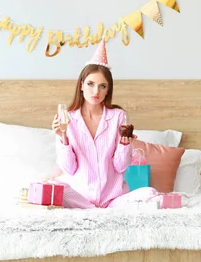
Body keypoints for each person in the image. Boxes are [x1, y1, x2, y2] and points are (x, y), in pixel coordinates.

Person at [51, 39, 155, 208]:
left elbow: (121, 167)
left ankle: (96, 212)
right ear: (81, 86)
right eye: (90, 84)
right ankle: (94, 211)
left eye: (102, 86)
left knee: (149, 193)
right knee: (55, 188)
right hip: (80, 199)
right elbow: (69, 169)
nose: (95, 91)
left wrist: (124, 143)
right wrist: (63, 137)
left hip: (114, 199)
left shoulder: (118, 117)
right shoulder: (67, 118)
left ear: (108, 90)